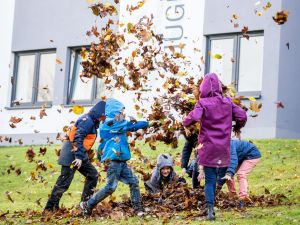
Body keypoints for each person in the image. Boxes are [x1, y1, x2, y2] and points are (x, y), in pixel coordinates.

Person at [182, 73, 247, 220]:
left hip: (208, 148)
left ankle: (210, 210)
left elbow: (195, 117)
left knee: (210, 180)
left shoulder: (202, 103)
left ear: (202, 88)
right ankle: (228, 198)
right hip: (224, 148)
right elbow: (242, 116)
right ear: (219, 87)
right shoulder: (227, 102)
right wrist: (237, 126)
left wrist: (185, 122)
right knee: (221, 175)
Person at [80, 98, 148, 216]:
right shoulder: (110, 123)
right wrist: (147, 123)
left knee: (134, 181)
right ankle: (88, 204)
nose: (123, 113)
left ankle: (138, 209)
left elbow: (128, 126)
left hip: (120, 160)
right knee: (111, 187)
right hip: (113, 160)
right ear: (113, 111)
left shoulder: (118, 122)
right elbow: (134, 126)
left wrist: (133, 123)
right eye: (120, 111)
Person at [44, 101, 106, 212]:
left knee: (93, 175)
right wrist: (78, 157)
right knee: (64, 181)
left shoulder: (92, 121)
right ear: (99, 113)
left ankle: (85, 204)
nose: (104, 118)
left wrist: (80, 156)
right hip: (72, 153)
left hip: (79, 154)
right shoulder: (86, 121)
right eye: (104, 115)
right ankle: (50, 208)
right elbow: (78, 137)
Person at [218, 140, 261, 206]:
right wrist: (219, 185)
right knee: (227, 175)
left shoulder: (229, 145)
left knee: (241, 173)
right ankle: (233, 196)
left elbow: (233, 160)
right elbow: (223, 169)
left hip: (252, 155)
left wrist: (229, 173)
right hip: (240, 157)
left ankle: (243, 198)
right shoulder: (218, 149)